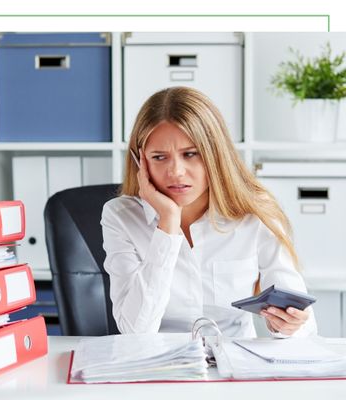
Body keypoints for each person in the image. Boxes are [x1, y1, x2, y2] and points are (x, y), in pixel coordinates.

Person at [101, 86, 317, 338]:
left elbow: (304, 325)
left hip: (235, 365)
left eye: (190, 154)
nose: (176, 172)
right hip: (160, 368)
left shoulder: (255, 211)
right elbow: (135, 331)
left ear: (215, 154)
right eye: (159, 157)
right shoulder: (120, 216)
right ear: (140, 162)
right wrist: (168, 224)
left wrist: (288, 325)